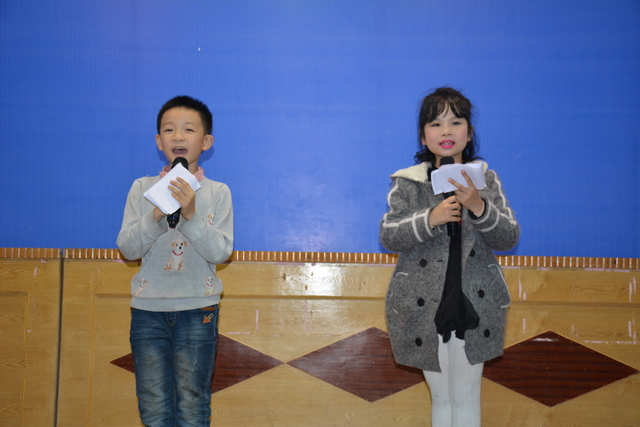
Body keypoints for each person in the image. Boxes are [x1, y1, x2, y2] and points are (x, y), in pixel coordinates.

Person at [379, 87, 519, 427]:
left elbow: (508, 237)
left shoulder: (485, 180)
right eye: (436, 123)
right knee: (441, 397)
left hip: (475, 302)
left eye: (456, 122)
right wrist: (431, 218)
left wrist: (478, 206)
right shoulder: (409, 182)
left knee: (466, 396)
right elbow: (389, 235)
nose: (446, 131)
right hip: (424, 303)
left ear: (469, 133)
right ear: (423, 135)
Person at [117, 95, 233, 426]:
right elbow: (128, 249)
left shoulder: (218, 192)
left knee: (193, 404)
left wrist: (192, 215)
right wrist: (155, 215)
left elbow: (221, 252)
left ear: (206, 142)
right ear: (159, 141)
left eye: (188, 130)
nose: (178, 136)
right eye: (169, 130)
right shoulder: (142, 188)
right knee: (153, 404)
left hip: (198, 308)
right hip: (148, 310)